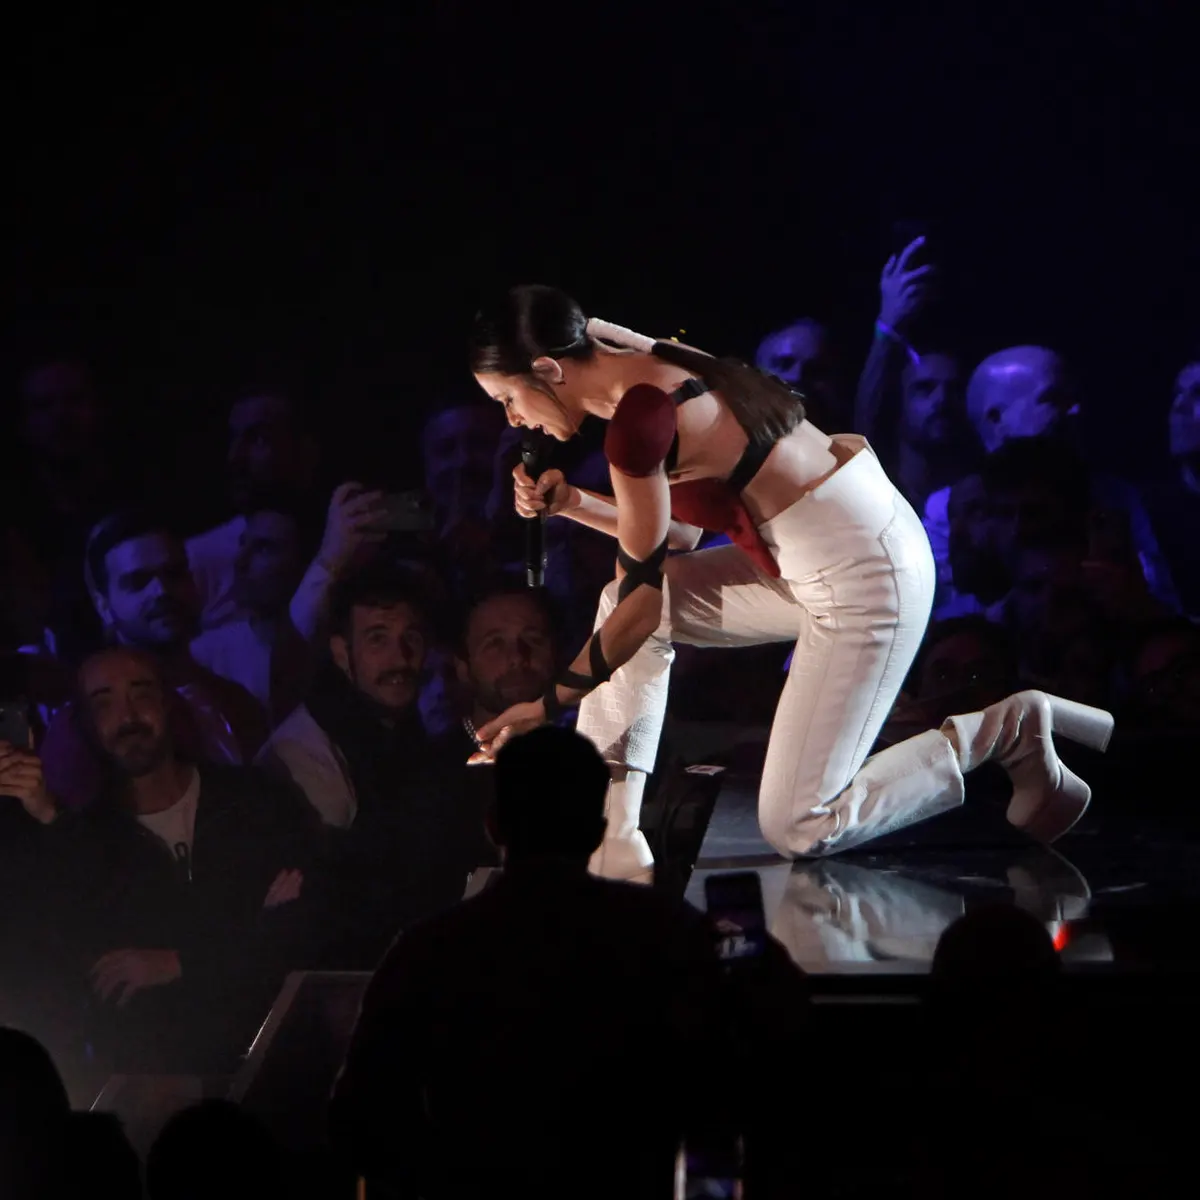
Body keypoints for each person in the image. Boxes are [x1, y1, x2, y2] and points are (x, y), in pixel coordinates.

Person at [465, 286, 1114, 880]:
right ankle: (613, 839)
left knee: (800, 824)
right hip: (815, 556)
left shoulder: (641, 421)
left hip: (868, 576)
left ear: (547, 370)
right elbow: (680, 536)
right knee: (621, 601)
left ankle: (1005, 730)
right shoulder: (648, 369)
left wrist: (545, 704)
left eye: (508, 400)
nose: (513, 420)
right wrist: (572, 503)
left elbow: (640, 608)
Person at [329, 726, 732, 1200]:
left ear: (493, 825)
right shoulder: (670, 933)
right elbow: (732, 1084)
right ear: (597, 831)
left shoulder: (428, 952)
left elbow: (360, 1119)